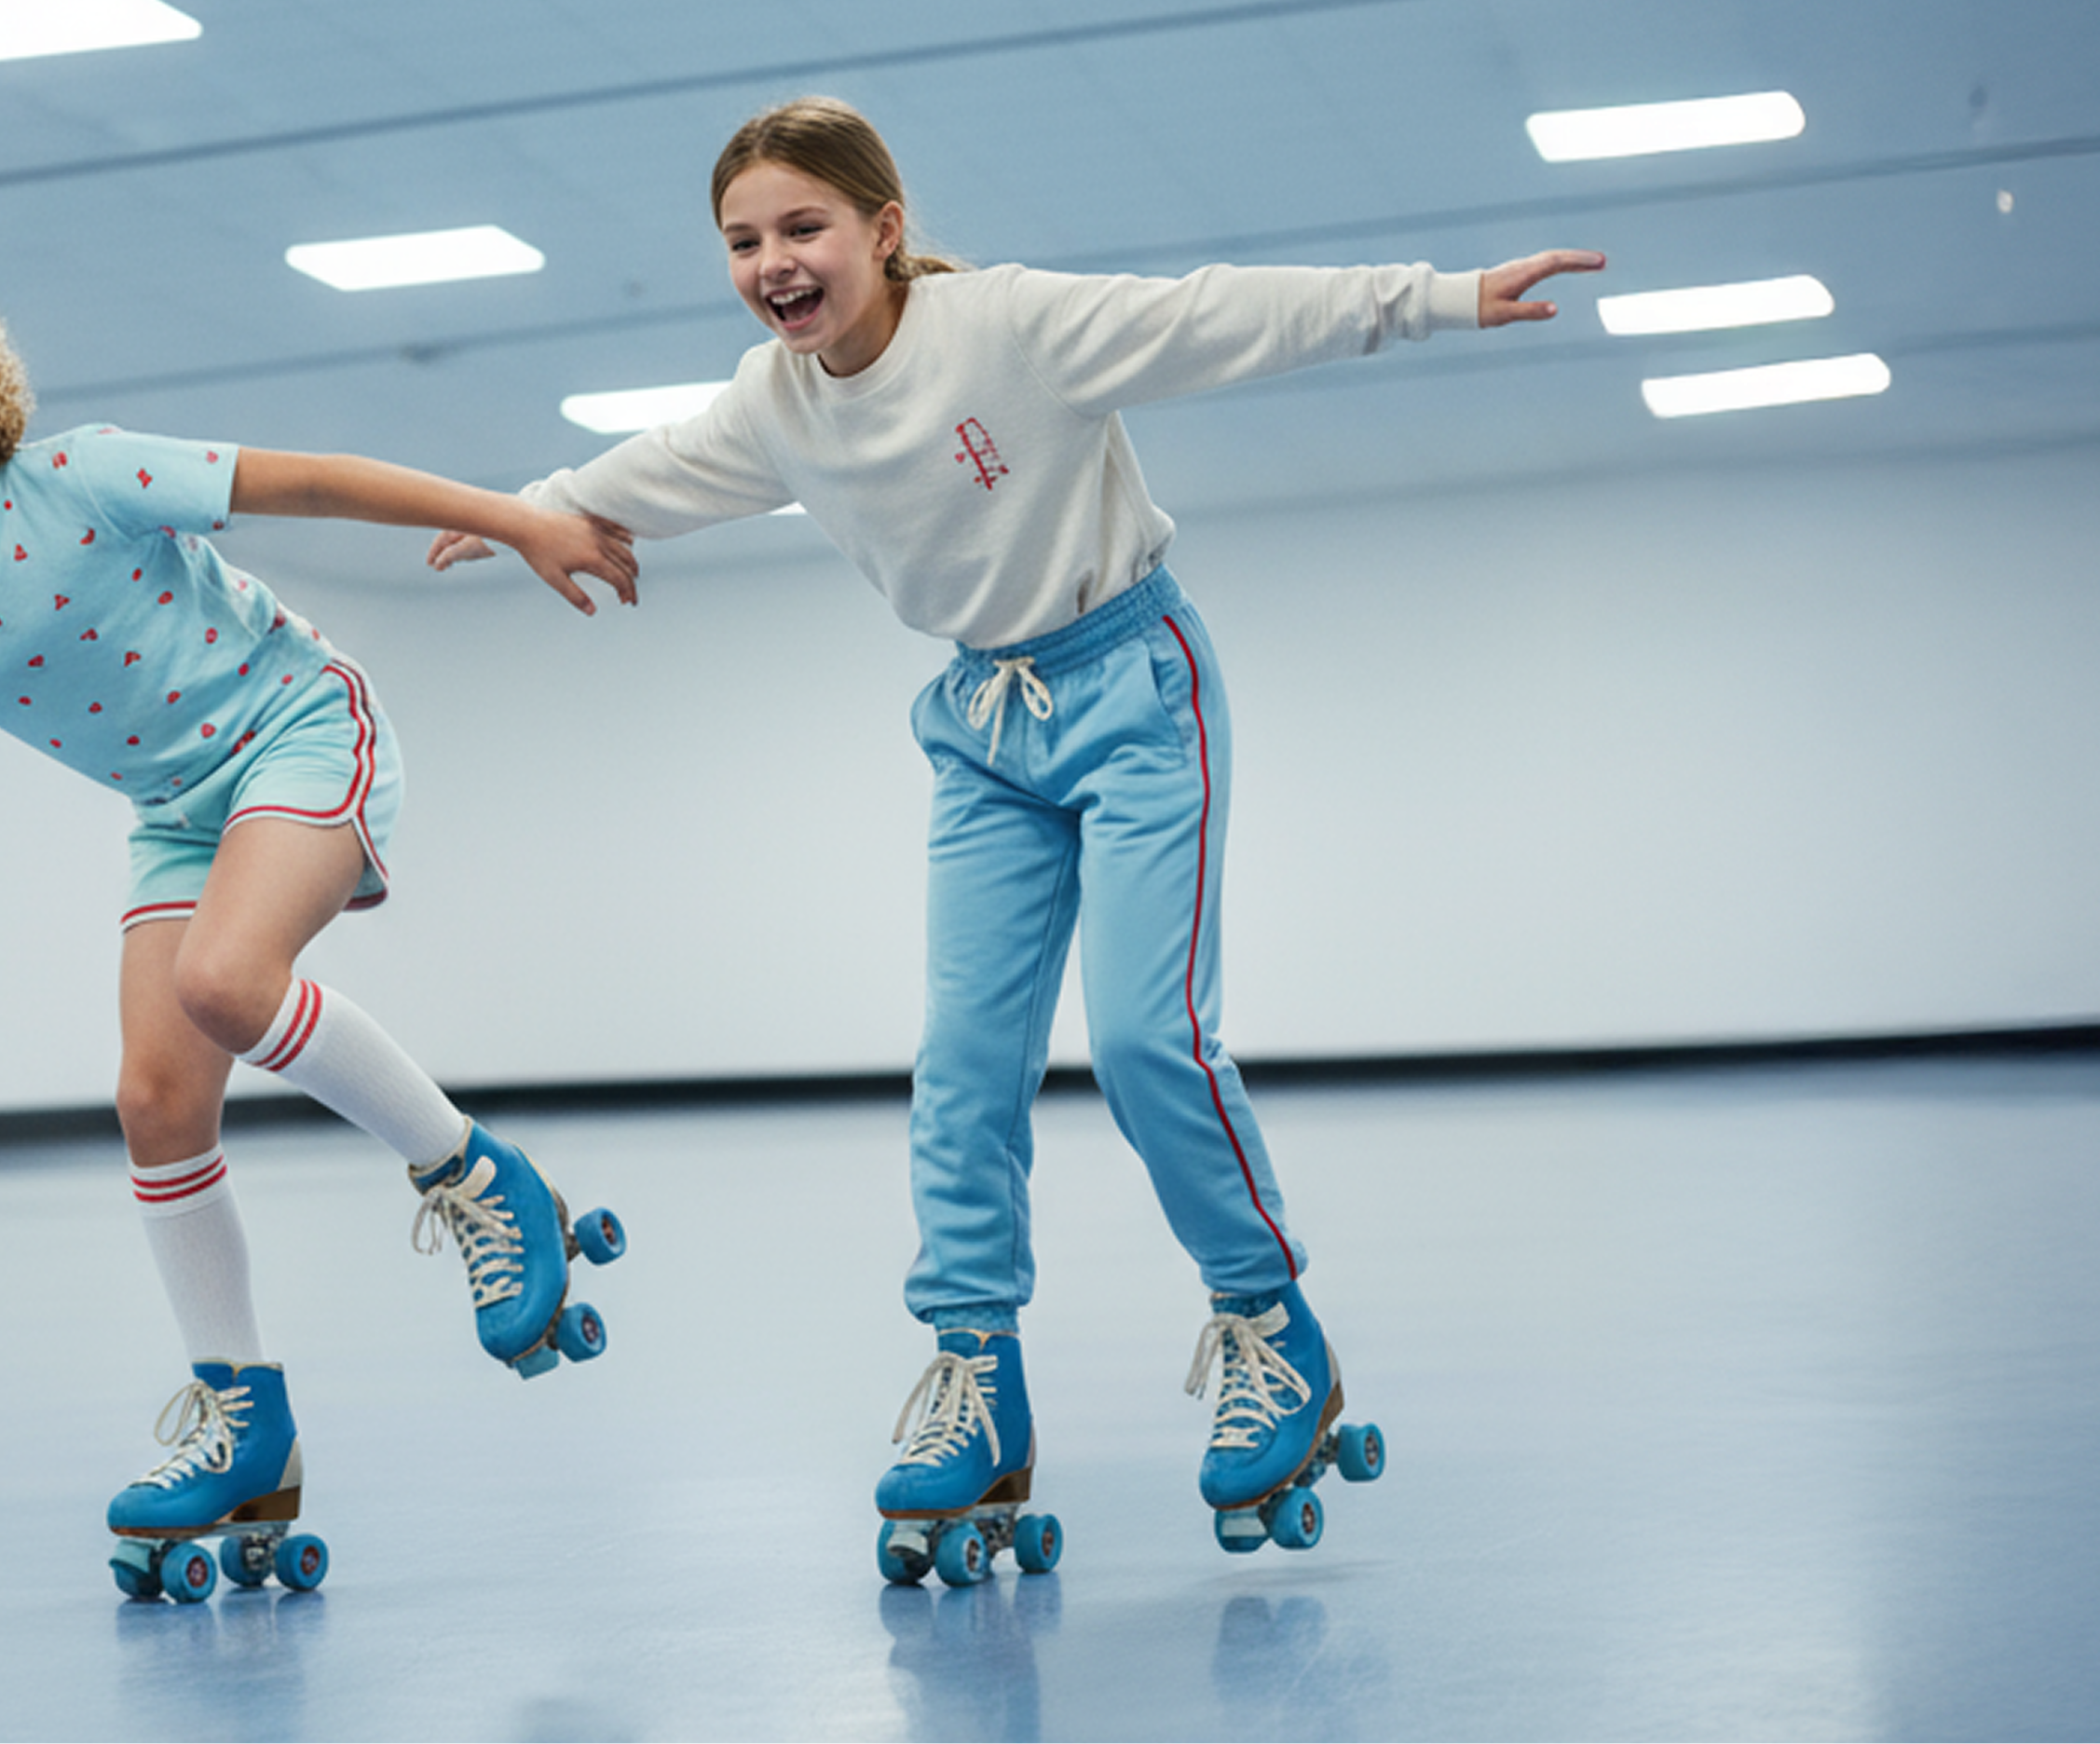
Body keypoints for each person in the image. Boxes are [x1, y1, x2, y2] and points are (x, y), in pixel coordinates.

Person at [430, 96, 1602, 1568]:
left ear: (884, 229)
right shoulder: (775, 402)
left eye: (804, 228)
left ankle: (1269, 1326)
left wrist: (1436, 300)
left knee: (1148, 1039)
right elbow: (651, 471)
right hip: (986, 728)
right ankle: (975, 1377)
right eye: (743, 241)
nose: (773, 263)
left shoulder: (1008, 330)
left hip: (1133, 685)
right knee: (964, 1069)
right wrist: (522, 511)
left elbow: (1220, 318)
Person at [0, 259, 640, 1592]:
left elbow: (313, 481)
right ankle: (245, 1421)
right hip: (178, 809)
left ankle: (475, 1176)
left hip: (298, 727)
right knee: (156, 1101)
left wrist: (519, 520)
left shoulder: (84, 478)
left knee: (227, 982)